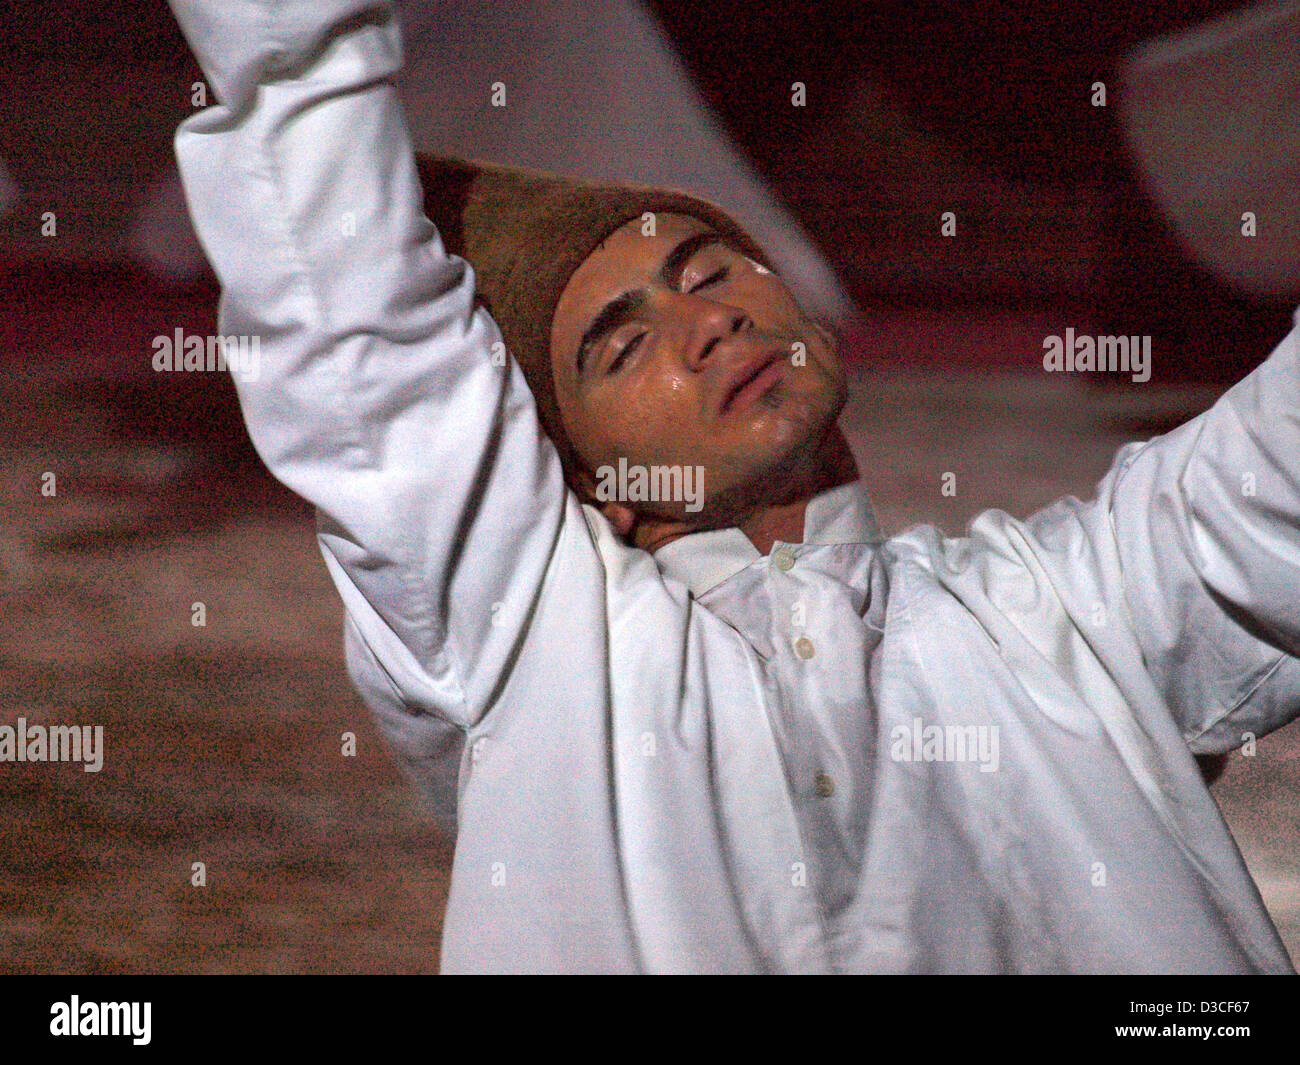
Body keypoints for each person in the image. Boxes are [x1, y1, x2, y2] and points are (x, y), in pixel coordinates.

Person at [168, 0, 1300, 973]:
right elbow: (354, 312)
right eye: (622, 345)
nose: (709, 321)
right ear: (588, 486)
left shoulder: (1072, 615)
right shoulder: (540, 653)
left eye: (710, 271)